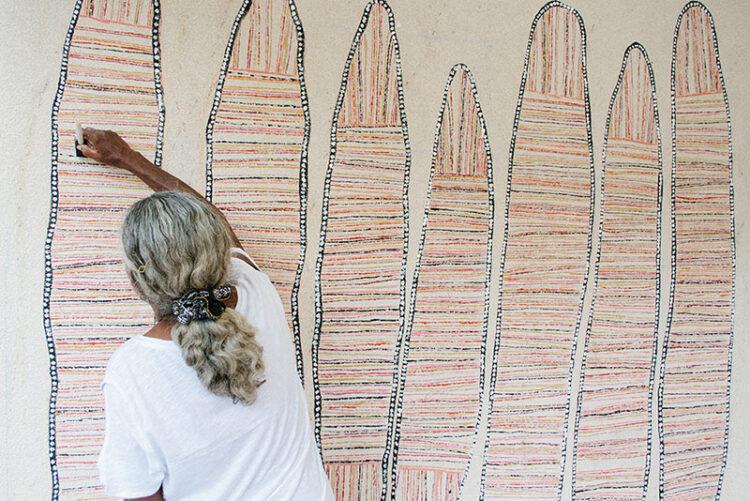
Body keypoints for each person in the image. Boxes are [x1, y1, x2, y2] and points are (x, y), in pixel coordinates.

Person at [78, 129, 334, 501]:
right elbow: (215, 224)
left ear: (136, 279)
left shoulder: (132, 370)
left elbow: (140, 493)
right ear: (217, 252)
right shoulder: (254, 291)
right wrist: (128, 157)